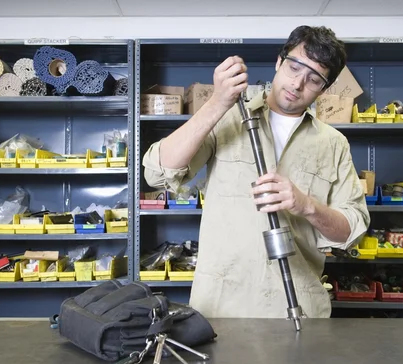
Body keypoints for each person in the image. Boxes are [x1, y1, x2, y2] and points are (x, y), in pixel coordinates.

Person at [142, 25, 370, 319]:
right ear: (279, 61)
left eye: (313, 79)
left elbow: (350, 232)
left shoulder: (333, 144)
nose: (298, 84)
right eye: (294, 67)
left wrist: (307, 205)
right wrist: (217, 103)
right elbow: (157, 173)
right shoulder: (229, 114)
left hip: (297, 309)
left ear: (324, 89)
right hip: (223, 307)